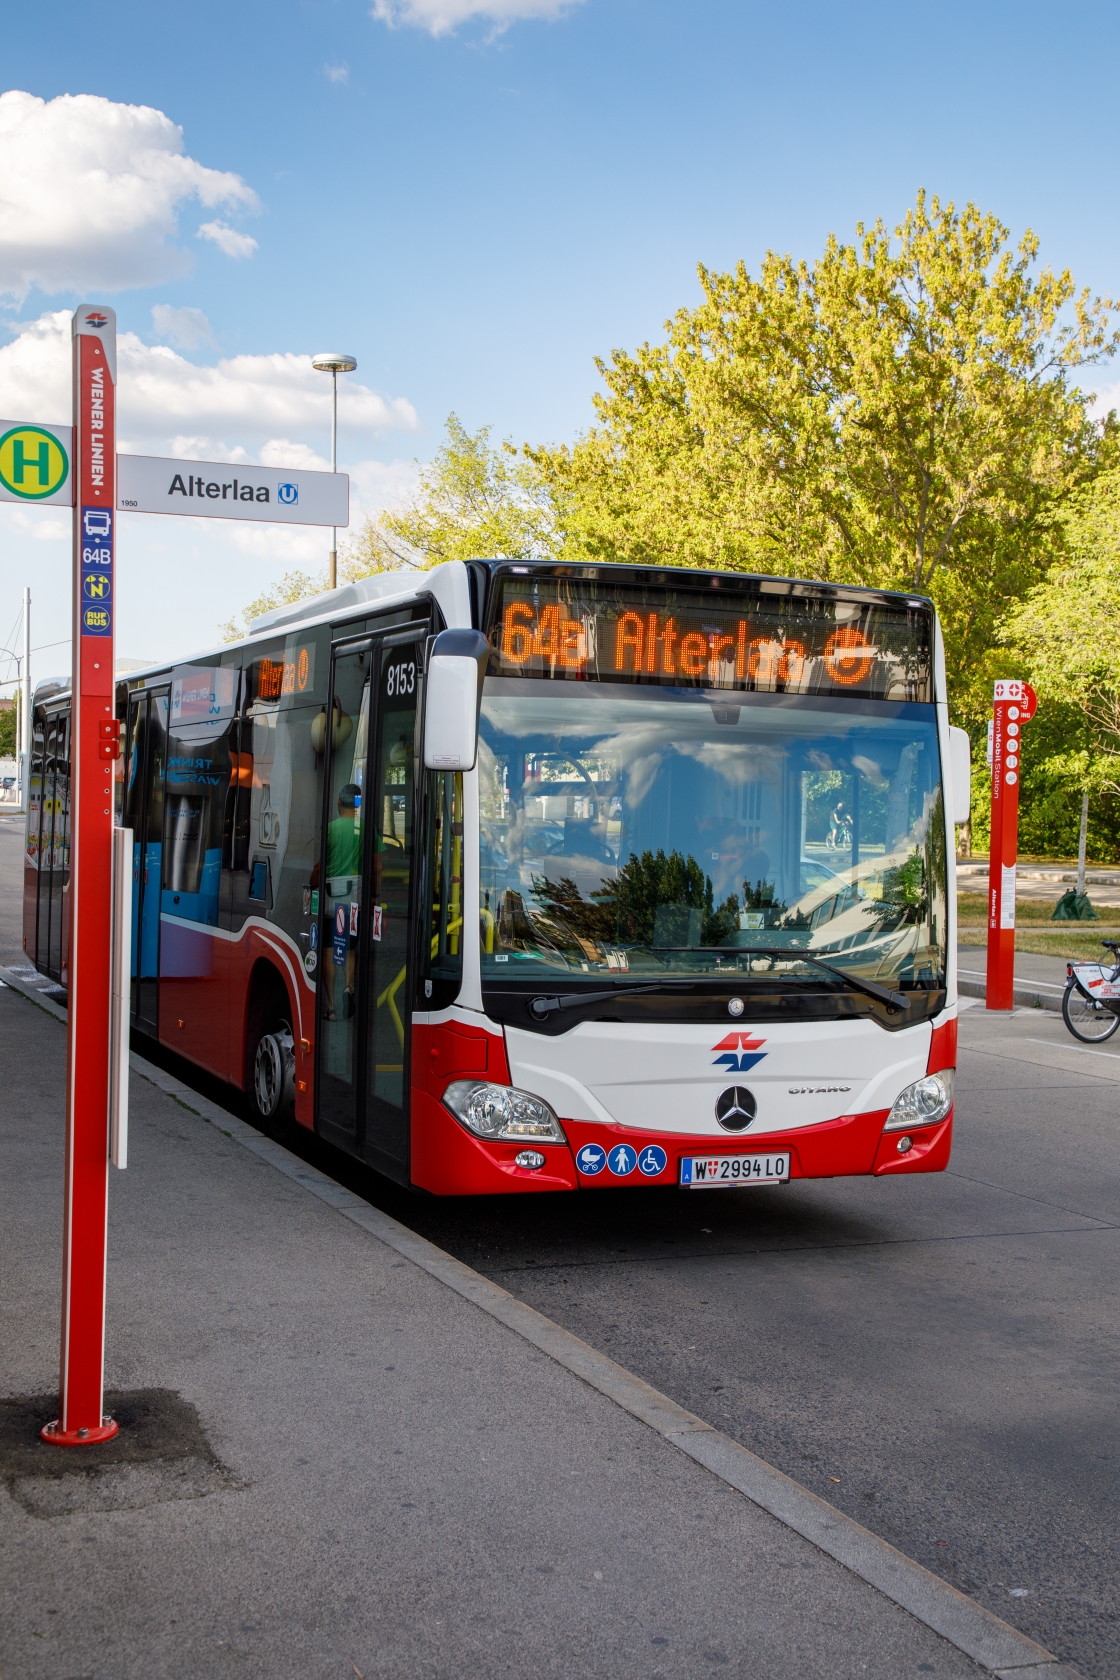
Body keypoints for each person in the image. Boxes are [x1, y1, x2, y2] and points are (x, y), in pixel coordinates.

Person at [324, 783, 362, 1021]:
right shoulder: (365, 828)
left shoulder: (330, 829)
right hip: (354, 898)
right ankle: (349, 986)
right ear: (357, 805)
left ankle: (331, 1008)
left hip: (331, 897)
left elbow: (319, 864)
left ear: (339, 802)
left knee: (328, 947)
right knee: (350, 947)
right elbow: (377, 865)